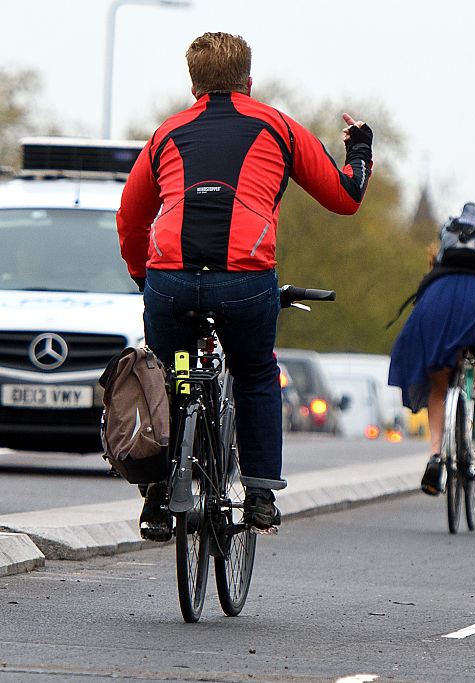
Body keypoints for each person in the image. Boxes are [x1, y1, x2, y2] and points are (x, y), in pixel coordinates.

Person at [117, 32, 373, 540]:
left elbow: (130, 218)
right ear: (249, 83)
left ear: (194, 86)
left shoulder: (166, 134)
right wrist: (361, 149)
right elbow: (346, 196)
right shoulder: (277, 126)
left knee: (165, 378)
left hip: (170, 279)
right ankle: (258, 495)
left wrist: (145, 277)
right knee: (255, 372)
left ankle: (155, 496)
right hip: (246, 281)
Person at [388, 202, 475, 495]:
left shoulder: (442, 259)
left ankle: (436, 454)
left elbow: (423, 294)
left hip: (437, 304)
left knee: (440, 385)